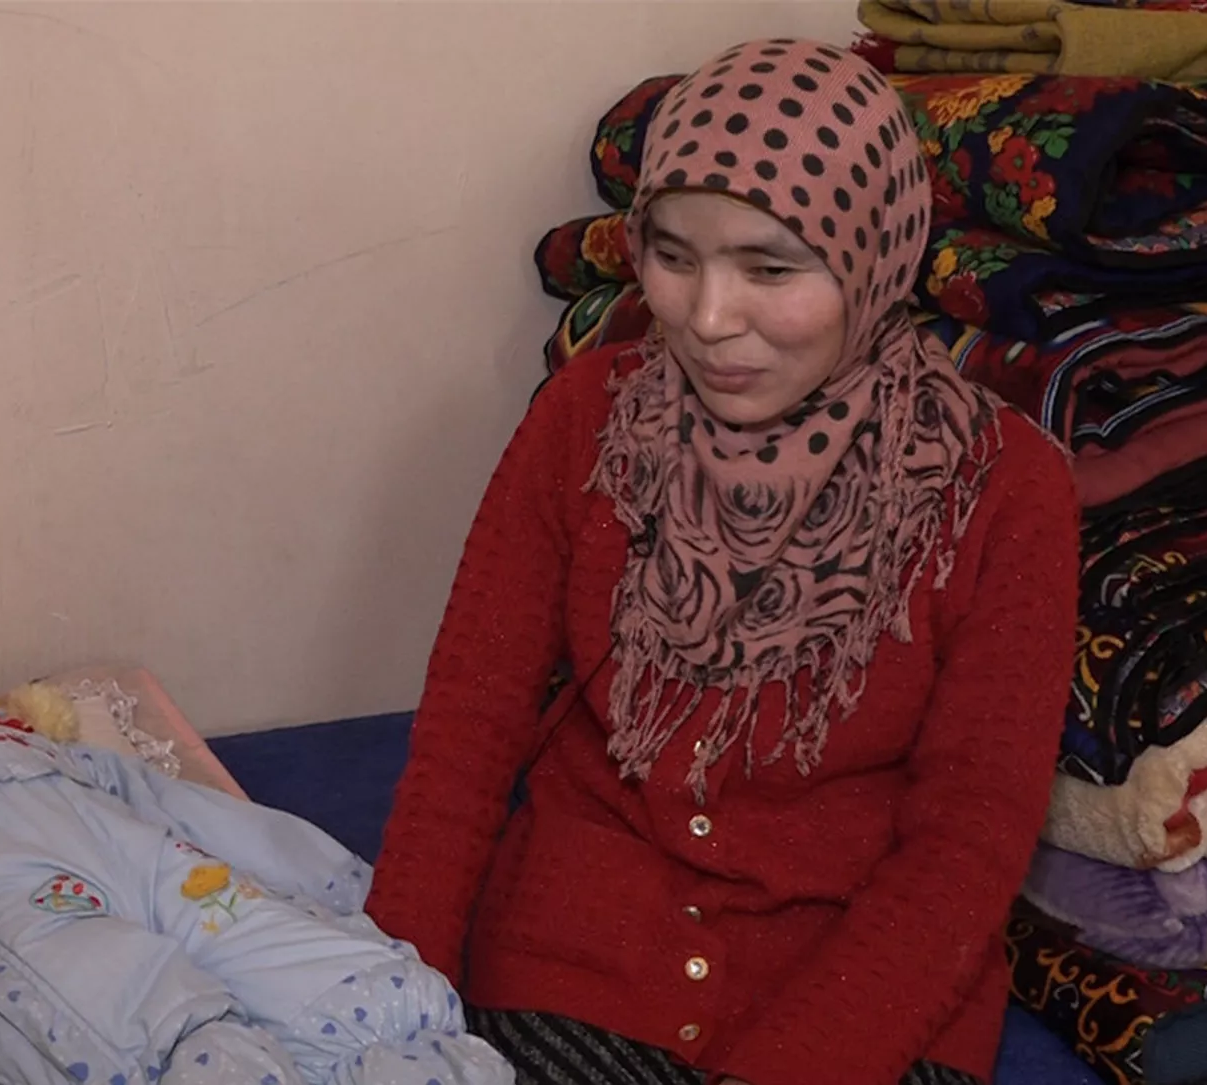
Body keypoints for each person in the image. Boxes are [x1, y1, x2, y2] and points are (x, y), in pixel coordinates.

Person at [367, 38, 1079, 1085]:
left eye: (771, 268)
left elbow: (966, 845)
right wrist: (381, 1012)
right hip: (578, 970)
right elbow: (467, 734)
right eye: (674, 255)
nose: (706, 318)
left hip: (866, 1002)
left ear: (874, 255)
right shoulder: (587, 420)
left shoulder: (1004, 488)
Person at [0, 644, 513, 1085]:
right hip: (17, 903)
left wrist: (326, 878)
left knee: (303, 955)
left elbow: (188, 808)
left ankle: (395, 1041)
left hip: (157, 866)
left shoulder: (61, 756)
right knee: (138, 1001)